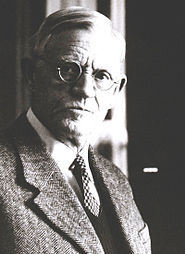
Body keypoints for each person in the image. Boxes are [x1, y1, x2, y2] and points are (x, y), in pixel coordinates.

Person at [0, 6, 151, 254]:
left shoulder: (117, 181)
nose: (85, 90)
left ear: (115, 91)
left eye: (101, 76)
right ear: (31, 75)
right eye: (69, 70)